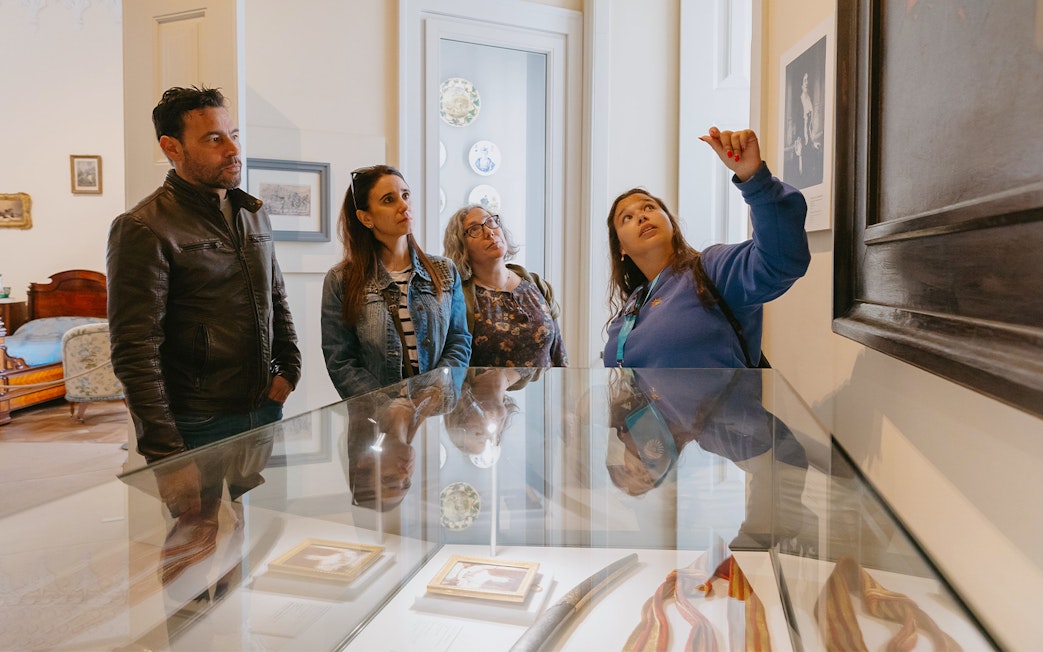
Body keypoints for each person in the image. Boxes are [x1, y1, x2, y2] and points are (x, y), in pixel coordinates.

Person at [107, 86, 301, 475]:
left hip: (263, 407)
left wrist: (289, 369)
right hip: (197, 422)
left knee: (248, 525)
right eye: (214, 139)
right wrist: (167, 457)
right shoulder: (144, 226)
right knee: (197, 533)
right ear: (172, 147)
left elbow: (274, 297)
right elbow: (135, 351)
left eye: (234, 135)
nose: (232, 149)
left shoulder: (252, 212)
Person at [604, 127, 810, 369]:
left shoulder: (710, 270)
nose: (641, 216)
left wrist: (754, 178)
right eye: (626, 218)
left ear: (671, 222)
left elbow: (780, 261)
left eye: (649, 207)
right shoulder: (632, 308)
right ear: (621, 249)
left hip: (726, 408)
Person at [322, 165, 471, 398]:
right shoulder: (341, 280)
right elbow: (340, 360)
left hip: (433, 416)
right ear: (366, 217)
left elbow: (459, 341)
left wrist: (435, 392)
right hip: (375, 424)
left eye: (405, 195)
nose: (404, 206)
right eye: (388, 200)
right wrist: (386, 409)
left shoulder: (444, 270)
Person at [442, 204, 567, 367]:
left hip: (541, 392)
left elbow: (559, 354)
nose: (489, 232)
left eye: (491, 222)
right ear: (461, 246)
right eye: (474, 229)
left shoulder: (536, 284)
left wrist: (567, 391)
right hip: (486, 392)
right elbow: (455, 361)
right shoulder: (459, 299)